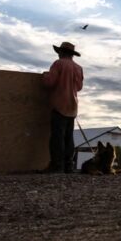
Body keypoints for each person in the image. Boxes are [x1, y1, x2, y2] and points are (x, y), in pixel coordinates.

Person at [42, 41, 84, 173]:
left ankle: (56, 166)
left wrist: (44, 76)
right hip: (72, 106)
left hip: (59, 104)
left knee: (57, 137)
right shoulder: (78, 68)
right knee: (68, 137)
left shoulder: (58, 64)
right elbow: (79, 87)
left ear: (61, 52)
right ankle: (68, 166)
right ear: (72, 54)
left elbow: (49, 82)